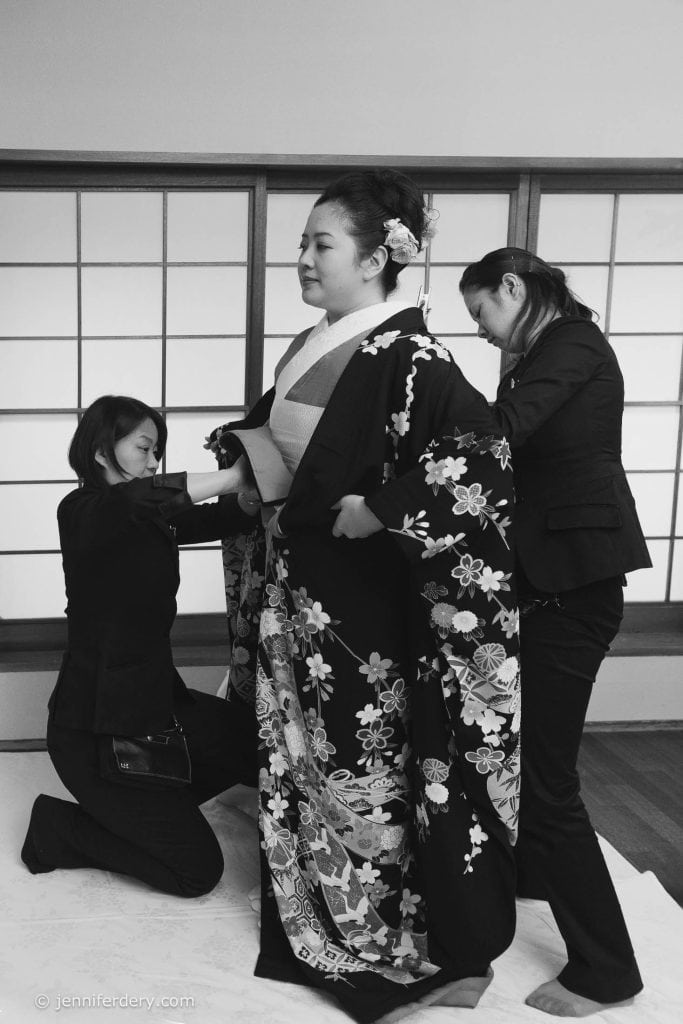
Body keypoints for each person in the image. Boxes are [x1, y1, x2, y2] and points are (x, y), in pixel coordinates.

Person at [209, 171, 520, 1023]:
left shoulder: (411, 354)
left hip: (365, 610)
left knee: (369, 769)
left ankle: (417, 937)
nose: (304, 259)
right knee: (310, 760)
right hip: (307, 601)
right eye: (302, 244)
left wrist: (379, 509)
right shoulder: (317, 341)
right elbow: (277, 452)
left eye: (322, 244)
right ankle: (321, 908)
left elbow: (480, 458)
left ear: (378, 258)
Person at [460, 247, 650, 1017]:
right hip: (545, 584)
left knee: (544, 782)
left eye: (481, 312)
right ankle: (534, 877)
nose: (480, 330)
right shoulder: (539, 356)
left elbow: (502, 433)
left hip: (575, 586)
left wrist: (424, 382)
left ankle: (606, 971)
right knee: (515, 760)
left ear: (513, 286)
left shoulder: (571, 344)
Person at [21, 395, 260, 898]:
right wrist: (235, 475)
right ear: (101, 450)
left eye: (157, 452)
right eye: (144, 448)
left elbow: (206, 519)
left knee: (259, 744)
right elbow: (138, 500)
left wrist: (249, 500)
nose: (154, 462)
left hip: (155, 708)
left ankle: (148, 811)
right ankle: (57, 828)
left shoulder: (148, 516)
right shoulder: (83, 510)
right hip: (95, 732)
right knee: (197, 872)